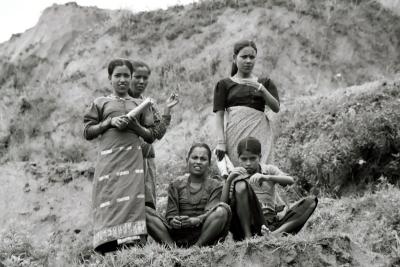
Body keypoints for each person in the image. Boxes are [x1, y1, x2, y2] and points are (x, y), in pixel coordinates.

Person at [83, 59, 159, 254]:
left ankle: (136, 252)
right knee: (110, 201)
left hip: (133, 164)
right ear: (110, 78)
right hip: (109, 165)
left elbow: (151, 136)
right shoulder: (100, 102)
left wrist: (134, 126)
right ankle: (109, 251)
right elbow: (87, 131)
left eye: (126, 75)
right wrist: (109, 122)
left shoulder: (140, 104)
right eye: (118, 75)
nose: (123, 79)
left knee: (134, 201)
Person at [221, 137, 317, 241]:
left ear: (260, 157)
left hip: (269, 223)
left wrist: (267, 177)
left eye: (253, 158)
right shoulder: (235, 175)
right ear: (238, 158)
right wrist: (229, 180)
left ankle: (273, 235)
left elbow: (290, 180)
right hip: (246, 224)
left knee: (310, 202)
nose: (248, 163)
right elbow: (223, 206)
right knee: (240, 186)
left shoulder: (268, 170)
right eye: (244, 159)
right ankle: (248, 238)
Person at [145, 143, 231, 247]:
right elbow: (170, 215)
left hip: (204, 233)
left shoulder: (216, 185)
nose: (198, 162)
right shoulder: (176, 184)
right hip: (178, 234)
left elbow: (211, 211)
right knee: (145, 211)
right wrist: (174, 221)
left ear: (209, 164)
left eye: (203, 159)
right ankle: (173, 250)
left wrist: (196, 220)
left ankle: (196, 248)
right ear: (187, 160)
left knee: (222, 210)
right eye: (194, 158)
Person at [213, 40, 280, 166]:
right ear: (234, 58)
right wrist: (221, 143)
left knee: (261, 171)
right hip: (234, 136)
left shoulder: (264, 83)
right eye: (244, 57)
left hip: (261, 135)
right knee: (238, 174)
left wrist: (262, 89)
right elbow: (219, 115)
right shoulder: (224, 84)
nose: (248, 61)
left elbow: (276, 108)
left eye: (252, 57)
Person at [128, 60, 179, 209]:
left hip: (146, 160)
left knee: (147, 204)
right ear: (128, 76)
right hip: (126, 160)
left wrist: (167, 110)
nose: (142, 81)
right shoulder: (119, 103)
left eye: (145, 78)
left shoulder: (149, 104)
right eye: (137, 77)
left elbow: (157, 134)